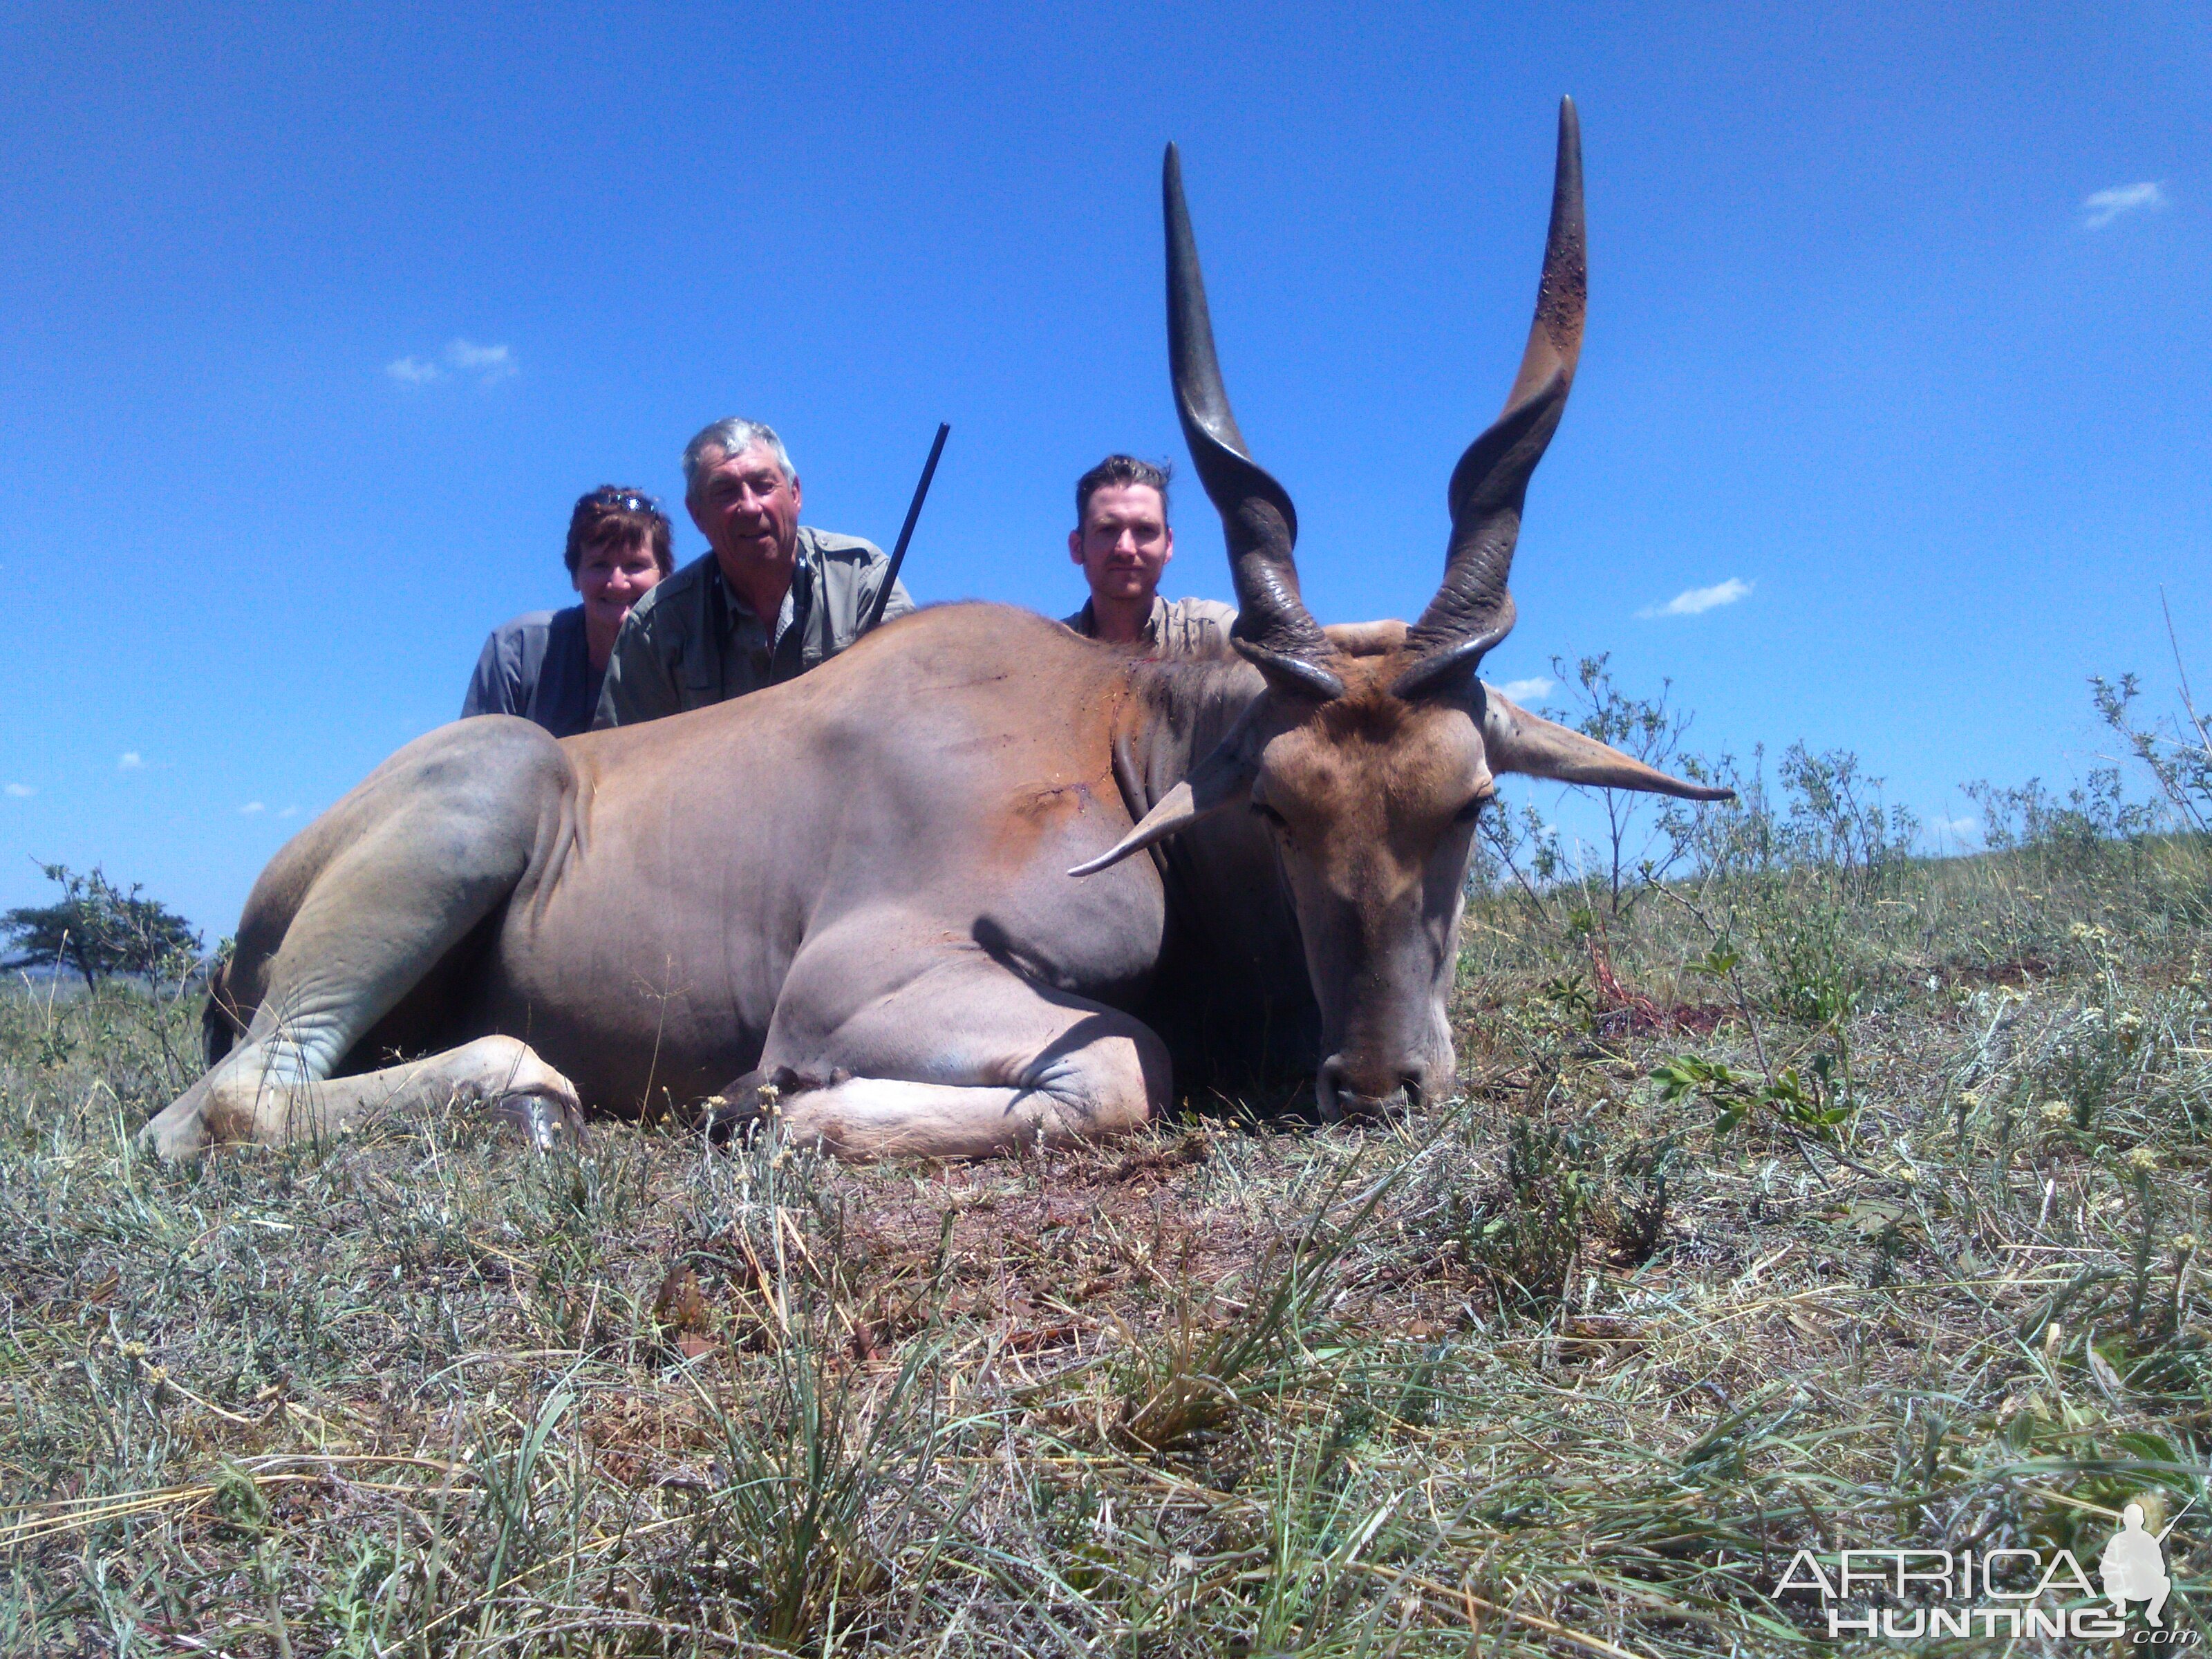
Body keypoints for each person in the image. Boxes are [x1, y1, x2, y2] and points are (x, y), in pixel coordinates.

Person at [592, 418, 915, 727]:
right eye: (726, 492)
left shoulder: (862, 578)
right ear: (697, 514)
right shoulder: (657, 625)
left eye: (763, 486)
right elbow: (621, 760)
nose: (749, 506)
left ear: (795, 494)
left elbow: (916, 711)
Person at [462, 487, 674, 738]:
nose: (617, 583)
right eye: (599, 565)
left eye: (635, 565)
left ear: (665, 576)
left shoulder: (693, 653)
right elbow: (477, 760)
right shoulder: (517, 650)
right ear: (575, 576)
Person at [1060, 454, 1235, 656]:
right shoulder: (1048, 652)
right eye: (1108, 530)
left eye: (1144, 530)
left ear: (1168, 545)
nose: (1126, 549)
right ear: (1077, 547)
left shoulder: (1215, 635)